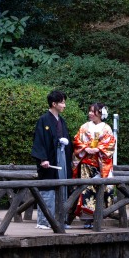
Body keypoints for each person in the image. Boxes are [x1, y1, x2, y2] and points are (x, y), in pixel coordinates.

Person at [31, 90, 73, 229]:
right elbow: (39, 140)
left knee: (62, 187)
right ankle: (44, 221)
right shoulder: (44, 120)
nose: (64, 105)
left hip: (62, 157)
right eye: (62, 102)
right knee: (48, 189)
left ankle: (60, 220)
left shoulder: (62, 121)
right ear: (54, 104)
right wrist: (43, 158)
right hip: (49, 159)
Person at [70, 102, 115, 229]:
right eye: (89, 111)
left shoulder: (106, 128)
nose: (90, 113)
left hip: (101, 165)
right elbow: (77, 141)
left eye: (93, 111)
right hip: (86, 163)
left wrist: (98, 149)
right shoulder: (84, 127)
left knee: (103, 190)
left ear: (100, 113)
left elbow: (110, 143)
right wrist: (85, 148)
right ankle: (87, 220)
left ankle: (99, 217)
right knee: (86, 190)